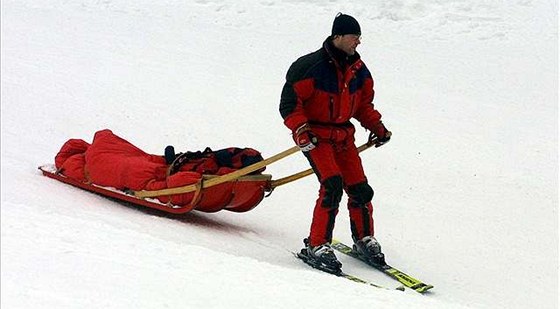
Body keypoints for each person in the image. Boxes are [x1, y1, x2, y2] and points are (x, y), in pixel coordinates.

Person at [279, 13, 392, 271]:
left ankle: (364, 239)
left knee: (360, 188)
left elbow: (363, 105)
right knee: (332, 186)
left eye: (360, 38)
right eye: (355, 37)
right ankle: (317, 245)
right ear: (338, 36)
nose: (358, 43)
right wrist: (300, 129)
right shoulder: (308, 67)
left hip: (344, 137)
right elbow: (289, 104)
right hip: (316, 137)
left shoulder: (359, 71)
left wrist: (377, 126)